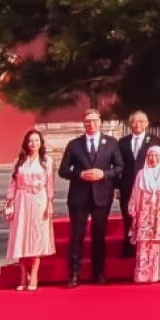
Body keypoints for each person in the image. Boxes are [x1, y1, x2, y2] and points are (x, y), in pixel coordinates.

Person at [59, 109, 124, 288]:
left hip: (102, 196)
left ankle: (99, 272)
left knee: (99, 235)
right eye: (88, 122)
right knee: (77, 236)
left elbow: (119, 167)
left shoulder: (111, 143)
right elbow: (63, 170)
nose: (91, 125)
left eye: (94, 121)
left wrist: (103, 174)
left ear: (100, 122)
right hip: (79, 197)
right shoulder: (74, 144)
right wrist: (80, 175)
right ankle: (73, 274)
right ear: (83, 124)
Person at [4, 131, 55, 291]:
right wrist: (9, 200)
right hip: (22, 200)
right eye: (31, 141)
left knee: (36, 237)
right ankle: (22, 276)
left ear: (41, 143)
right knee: (21, 236)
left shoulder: (47, 161)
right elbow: (13, 183)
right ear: (26, 143)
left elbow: (49, 184)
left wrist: (50, 202)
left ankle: (34, 275)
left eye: (37, 140)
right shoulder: (19, 162)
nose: (34, 143)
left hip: (39, 200)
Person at [127, 146, 160, 283]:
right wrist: (134, 210)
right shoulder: (141, 174)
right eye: (150, 155)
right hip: (145, 214)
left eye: (156, 156)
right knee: (145, 244)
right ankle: (144, 275)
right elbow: (135, 194)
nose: (153, 159)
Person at [117, 111, 160, 257]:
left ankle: (146, 249)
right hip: (127, 185)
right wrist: (117, 186)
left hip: (148, 187)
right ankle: (129, 249)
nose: (137, 124)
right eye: (134, 121)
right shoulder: (122, 142)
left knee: (147, 217)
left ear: (147, 124)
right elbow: (118, 166)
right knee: (128, 217)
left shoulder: (155, 141)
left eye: (141, 121)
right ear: (130, 124)